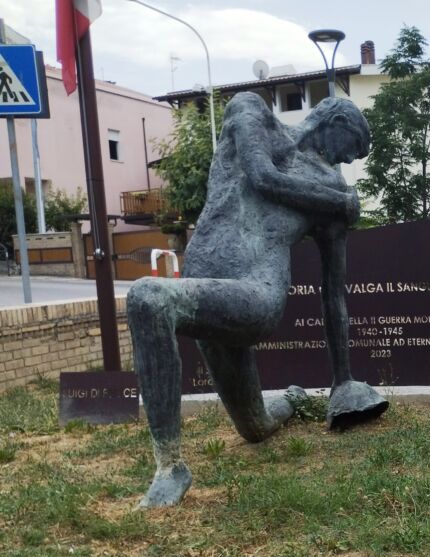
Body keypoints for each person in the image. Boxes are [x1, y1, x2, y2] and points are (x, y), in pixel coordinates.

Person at [127, 92, 387, 508]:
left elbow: (333, 292)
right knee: (255, 426)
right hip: (205, 283)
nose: (348, 161)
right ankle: (293, 398)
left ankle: (170, 468)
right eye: (353, 149)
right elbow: (262, 177)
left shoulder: (332, 186)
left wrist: (343, 380)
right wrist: (342, 203)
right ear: (338, 123)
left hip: (255, 292)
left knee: (148, 296)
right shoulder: (250, 112)